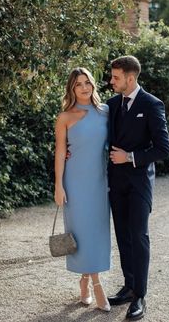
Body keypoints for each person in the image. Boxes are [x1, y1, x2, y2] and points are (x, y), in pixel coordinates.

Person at [107, 56, 169, 320]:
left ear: (130, 78)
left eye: (116, 77)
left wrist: (130, 157)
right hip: (116, 182)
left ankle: (140, 296)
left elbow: (162, 149)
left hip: (139, 182)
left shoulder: (152, 104)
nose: (111, 81)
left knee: (139, 235)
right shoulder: (111, 105)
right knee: (122, 235)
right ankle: (129, 285)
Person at [54, 67, 111, 311]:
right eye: (79, 84)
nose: (85, 87)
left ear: (93, 84)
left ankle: (85, 280)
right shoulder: (65, 117)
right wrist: (58, 184)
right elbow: (59, 152)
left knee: (97, 233)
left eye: (87, 82)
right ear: (72, 88)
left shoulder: (106, 112)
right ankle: (97, 286)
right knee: (81, 232)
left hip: (100, 182)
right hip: (74, 183)